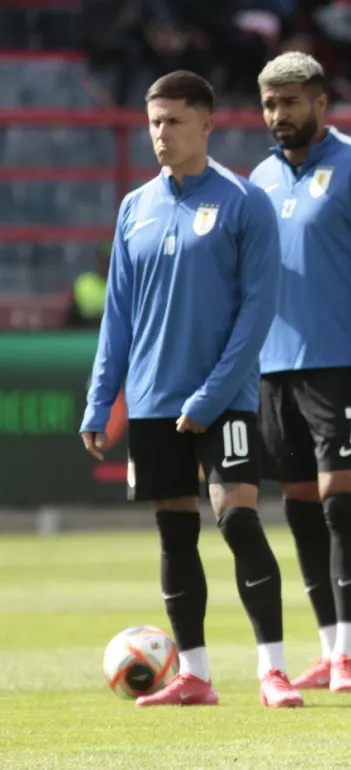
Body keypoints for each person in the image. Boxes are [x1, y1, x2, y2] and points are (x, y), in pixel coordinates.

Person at [79, 70, 303, 709]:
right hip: (152, 402)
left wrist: (210, 395)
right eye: (154, 122)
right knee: (175, 534)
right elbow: (117, 315)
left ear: (207, 124)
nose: (162, 134)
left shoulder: (243, 201)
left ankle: (273, 671)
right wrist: (101, 401)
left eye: (175, 121)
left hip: (223, 398)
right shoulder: (133, 208)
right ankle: (196, 676)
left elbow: (257, 312)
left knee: (237, 519)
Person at [250, 52, 351, 693]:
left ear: (320, 103)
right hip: (272, 367)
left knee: (342, 503)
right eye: (269, 104)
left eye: (290, 102)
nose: (279, 115)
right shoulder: (257, 179)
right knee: (299, 510)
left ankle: (350, 652)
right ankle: (324, 650)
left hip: (343, 360)